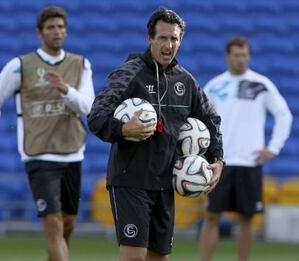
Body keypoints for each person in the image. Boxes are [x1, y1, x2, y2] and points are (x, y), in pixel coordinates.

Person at [87, 8, 225, 261]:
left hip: (165, 182)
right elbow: (96, 117)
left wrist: (217, 159)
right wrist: (123, 128)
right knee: (134, 257)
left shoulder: (186, 81)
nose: (168, 45)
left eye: (174, 39)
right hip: (130, 179)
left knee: (159, 258)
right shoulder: (128, 74)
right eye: (162, 38)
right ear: (149, 38)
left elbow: (211, 120)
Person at [0, 6, 95, 261]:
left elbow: (88, 106)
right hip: (39, 155)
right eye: (51, 27)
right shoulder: (20, 66)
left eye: (61, 27)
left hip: (72, 153)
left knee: (68, 224)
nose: (57, 32)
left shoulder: (80, 64)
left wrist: (66, 90)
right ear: (39, 33)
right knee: (52, 224)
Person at [200, 36, 293, 261]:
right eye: (237, 55)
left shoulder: (261, 84)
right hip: (220, 162)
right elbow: (200, 120)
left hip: (250, 161)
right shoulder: (215, 85)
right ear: (227, 57)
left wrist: (273, 147)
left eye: (245, 55)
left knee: (247, 217)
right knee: (212, 216)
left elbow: (284, 114)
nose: (242, 59)